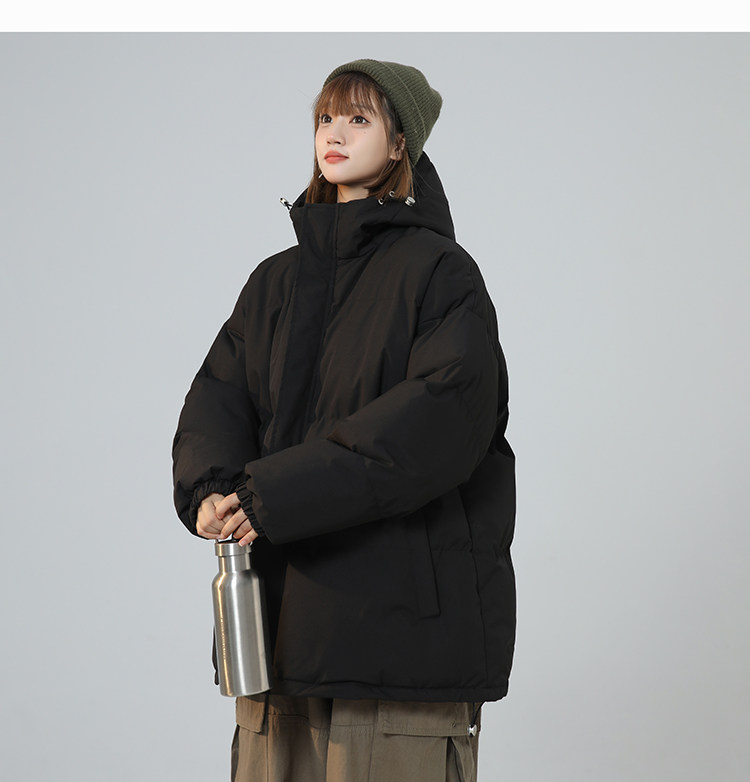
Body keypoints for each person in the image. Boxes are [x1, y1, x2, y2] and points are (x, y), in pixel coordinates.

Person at [172, 59, 516, 782]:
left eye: (359, 119)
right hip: (276, 635)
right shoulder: (275, 281)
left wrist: (271, 496)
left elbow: (432, 428)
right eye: (326, 117)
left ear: (400, 144)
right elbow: (220, 396)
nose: (334, 133)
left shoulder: (441, 274)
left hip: (399, 643)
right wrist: (211, 489)